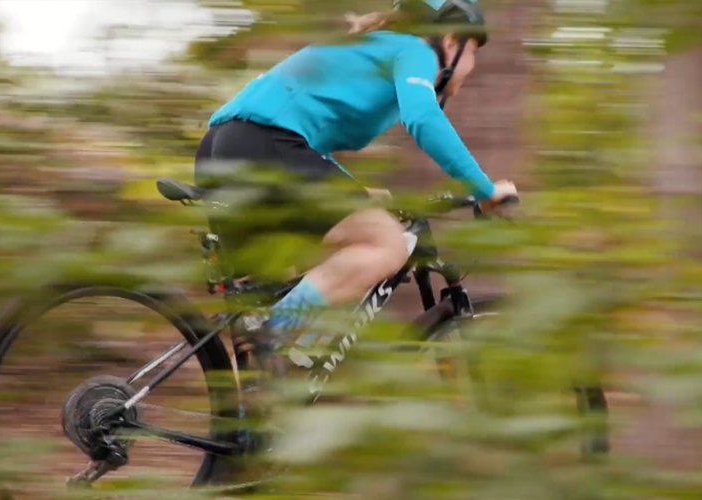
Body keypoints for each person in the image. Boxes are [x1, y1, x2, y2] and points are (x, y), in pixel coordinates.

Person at [193, 0, 519, 379]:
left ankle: (255, 421)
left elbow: (307, 137)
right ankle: (275, 332)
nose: (472, 67)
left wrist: (358, 192)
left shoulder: (374, 49)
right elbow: (424, 118)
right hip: (264, 146)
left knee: (282, 276)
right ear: (451, 41)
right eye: (474, 54)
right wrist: (484, 189)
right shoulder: (414, 49)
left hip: (223, 149)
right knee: (388, 245)